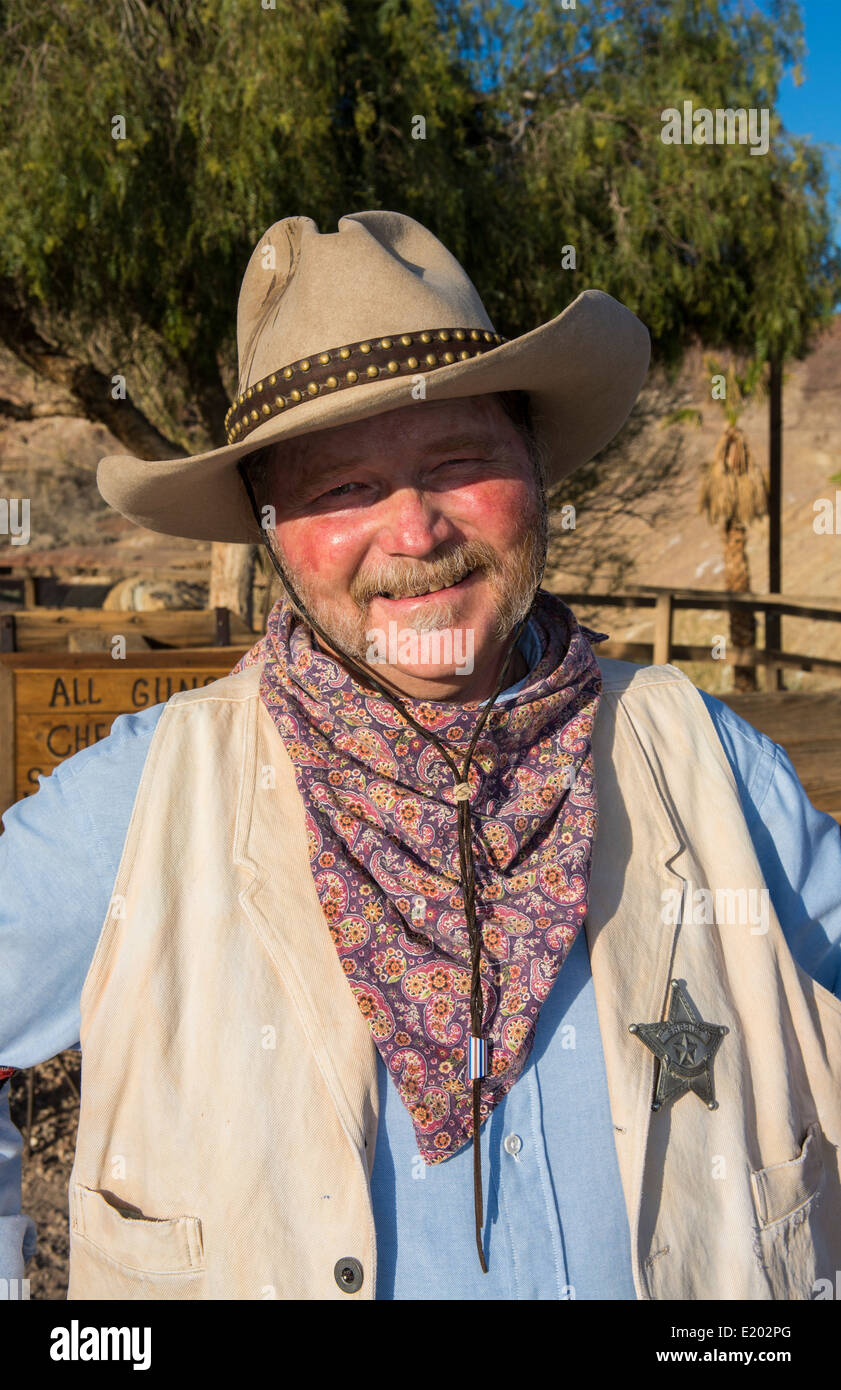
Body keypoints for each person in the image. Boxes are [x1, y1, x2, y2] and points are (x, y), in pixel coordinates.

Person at [2, 210, 840, 1302]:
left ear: (536, 476)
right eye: (342, 488)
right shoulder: (153, 797)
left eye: (459, 462)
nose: (414, 533)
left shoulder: (700, 763)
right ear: (269, 528)